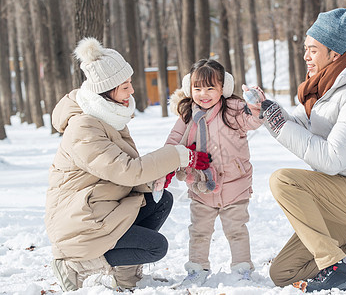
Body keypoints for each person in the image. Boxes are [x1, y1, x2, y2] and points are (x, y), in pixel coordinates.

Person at [256, 8, 346, 292]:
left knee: (283, 180)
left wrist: (278, 124)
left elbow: (332, 160)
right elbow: (301, 124)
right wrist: (268, 113)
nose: (306, 57)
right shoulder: (329, 88)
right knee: (284, 272)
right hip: (342, 195)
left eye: (313, 50)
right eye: (305, 49)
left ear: (334, 54)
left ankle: (334, 267)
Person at [45, 38, 210, 292]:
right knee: (156, 246)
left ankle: (125, 274)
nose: (131, 91)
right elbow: (126, 170)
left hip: (100, 207)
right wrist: (175, 155)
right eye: (125, 86)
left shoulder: (106, 116)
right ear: (107, 90)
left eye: (129, 84)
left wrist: (157, 176)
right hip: (80, 223)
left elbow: (117, 171)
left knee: (160, 200)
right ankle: (75, 265)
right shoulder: (84, 127)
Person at [157, 59, 264, 286]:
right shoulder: (187, 115)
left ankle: (242, 268)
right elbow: (174, 141)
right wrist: (164, 164)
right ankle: (197, 268)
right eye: (197, 88)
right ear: (189, 89)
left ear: (223, 89)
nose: (203, 94)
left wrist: (256, 106)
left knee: (236, 229)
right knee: (199, 230)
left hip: (235, 183)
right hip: (200, 184)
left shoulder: (233, 109)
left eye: (210, 88)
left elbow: (253, 120)